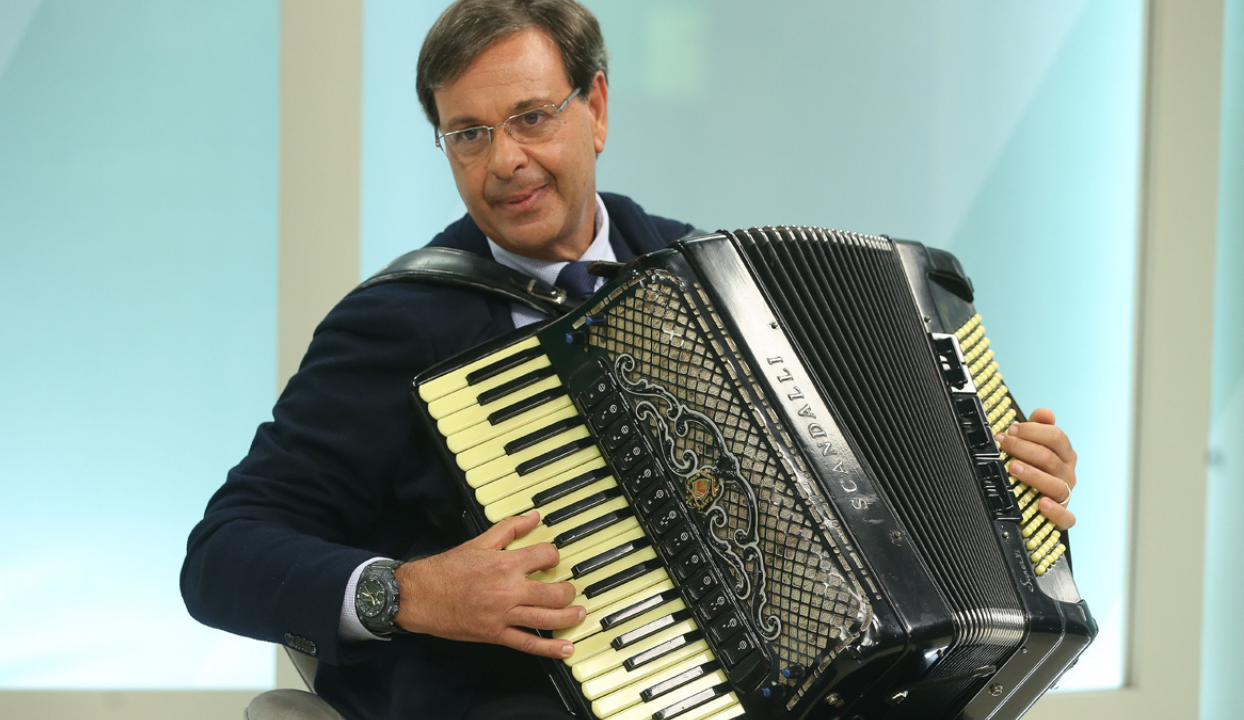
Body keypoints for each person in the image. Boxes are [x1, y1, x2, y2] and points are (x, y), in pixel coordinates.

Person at [181, 2, 1080, 719]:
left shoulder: (723, 284)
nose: (506, 161)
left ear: (597, 108)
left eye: (532, 117)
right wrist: (406, 592)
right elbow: (222, 556)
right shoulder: (400, 322)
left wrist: (1009, 487)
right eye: (469, 133)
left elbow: (874, 501)